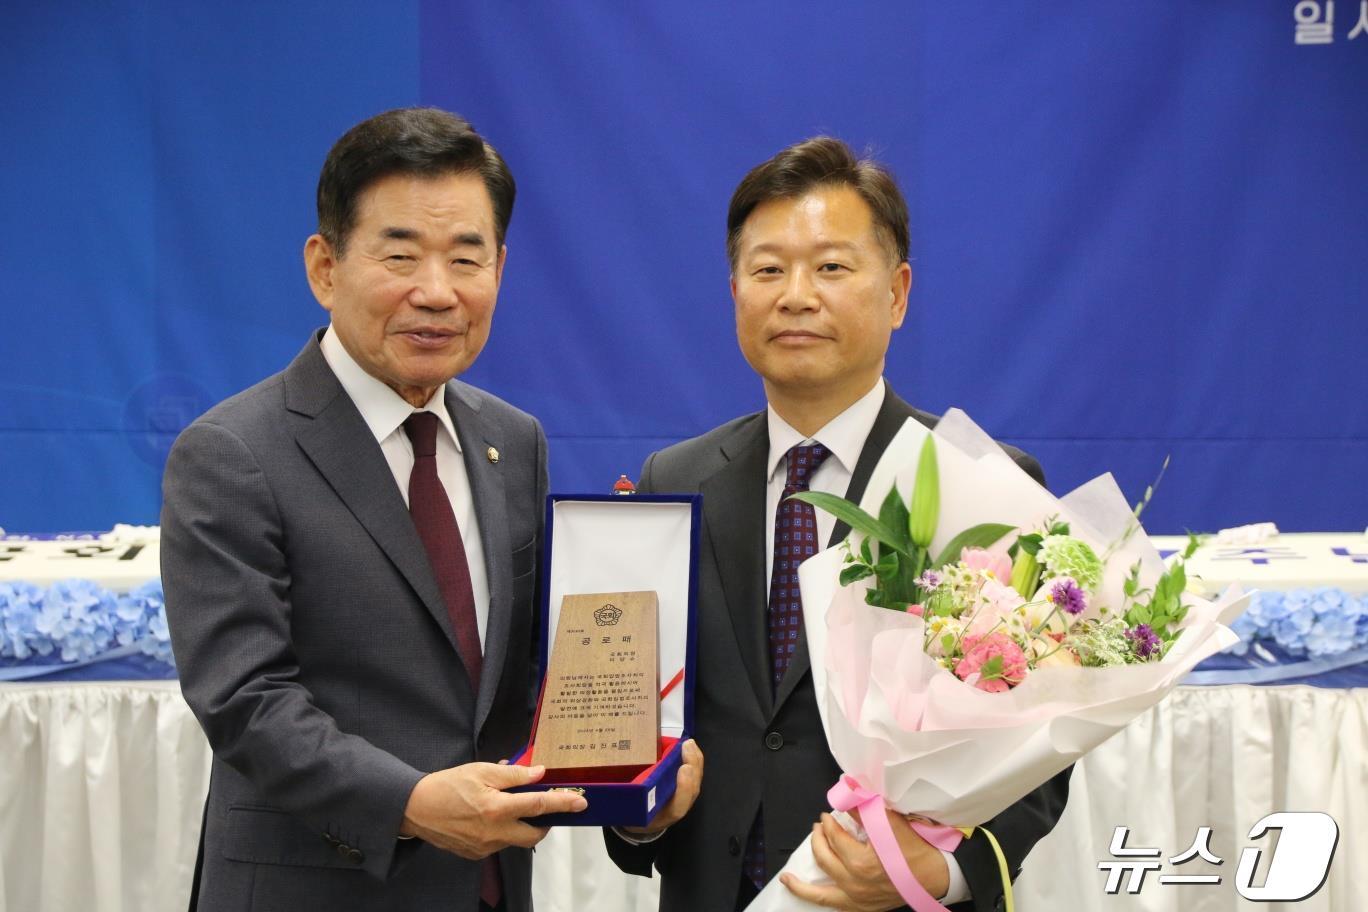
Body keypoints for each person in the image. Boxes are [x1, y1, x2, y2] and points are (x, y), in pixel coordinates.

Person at [604, 137, 1071, 912]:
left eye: (830, 267)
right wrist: (643, 815)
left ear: (897, 293)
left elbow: (1041, 744)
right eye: (767, 269)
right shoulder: (674, 481)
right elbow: (648, 718)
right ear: (735, 293)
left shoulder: (982, 486)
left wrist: (939, 873)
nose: (795, 295)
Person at [161, 107, 588, 912]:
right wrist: (412, 805)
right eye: (400, 255)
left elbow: (529, 674)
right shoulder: (232, 452)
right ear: (325, 267)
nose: (436, 292)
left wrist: (634, 770)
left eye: (467, 258)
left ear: (500, 267)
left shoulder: (513, 440)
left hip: (489, 890)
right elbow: (246, 700)